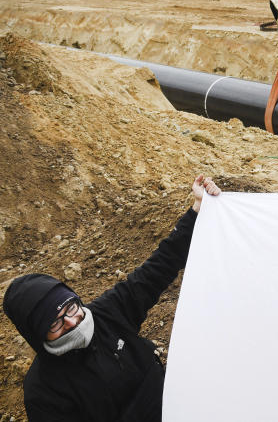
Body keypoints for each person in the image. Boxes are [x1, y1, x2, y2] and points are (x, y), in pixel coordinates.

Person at [2, 175, 220, 422]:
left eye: (71, 309)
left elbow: (158, 268)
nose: (72, 323)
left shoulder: (107, 314)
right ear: (36, 334)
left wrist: (197, 210)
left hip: (177, 407)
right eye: (55, 323)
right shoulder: (43, 393)